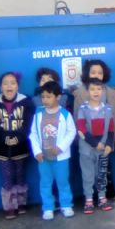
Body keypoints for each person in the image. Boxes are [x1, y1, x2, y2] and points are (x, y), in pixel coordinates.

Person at [0, 72, 34, 219]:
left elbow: (29, 124)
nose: (9, 86)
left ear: (17, 86)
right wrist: (5, 138)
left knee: (20, 174)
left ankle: (21, 203)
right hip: (1, 148)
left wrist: (18, 137)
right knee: (7, 176)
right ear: (0, 87)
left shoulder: (26, 102)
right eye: (5, 83)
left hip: (20, 147)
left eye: (13, 83)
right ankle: (9, 206)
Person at [29, 81, 77, 220]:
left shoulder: (65, 114)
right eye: (43, 97)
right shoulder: (38, 114)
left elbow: (71, 132)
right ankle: (48, 207)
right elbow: (33, 134)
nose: (45, 100)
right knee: (45, 183)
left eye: (49, 96)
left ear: (58, 97)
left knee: (63, 182)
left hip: (60, 157)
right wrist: (37, 151)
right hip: (43, 158)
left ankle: (66, 205)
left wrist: (61, 147)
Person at [76, 78, 115, 214]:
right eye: (92, 89)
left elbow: (110, 129)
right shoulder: (83, 109)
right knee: (88, 175)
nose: (96, 92)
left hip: (103, 149)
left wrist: (109, 144)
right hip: (87, 150)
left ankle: (102, 198)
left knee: (102, 174)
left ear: (103, 91)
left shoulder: (108, 109)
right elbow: (81, 130)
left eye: (99, 89)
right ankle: (88, 200)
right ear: (87, 91)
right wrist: (94, 143)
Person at [73, 59, 115, 140]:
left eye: (100, 73)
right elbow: (77, 120)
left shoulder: (112, 94)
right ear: (87, 74)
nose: (96, 75)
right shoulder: (80, 94)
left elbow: (114, 119)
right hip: (87, 141)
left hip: (107, 140)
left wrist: (111, 140)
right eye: (93, 73)